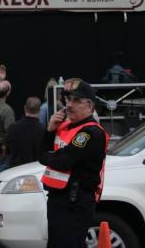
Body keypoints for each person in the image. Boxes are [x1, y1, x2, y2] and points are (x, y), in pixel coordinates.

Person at [39, 78, 109, 248]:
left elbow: (64, 161)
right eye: (68, 99)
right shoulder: (64, 127)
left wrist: (50, 157)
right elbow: (41, 155)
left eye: (76, 100)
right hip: (59, 198)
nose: (69, 105)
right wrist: (49, 131)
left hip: (74, 201)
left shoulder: (90, 133)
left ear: (90, 106)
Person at [4, 97, 45, 167]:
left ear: (25, 108)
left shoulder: (12, 128)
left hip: (14, 170)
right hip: (34, 171)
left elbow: (7, 149)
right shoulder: (43, 130)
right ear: (40, 110)